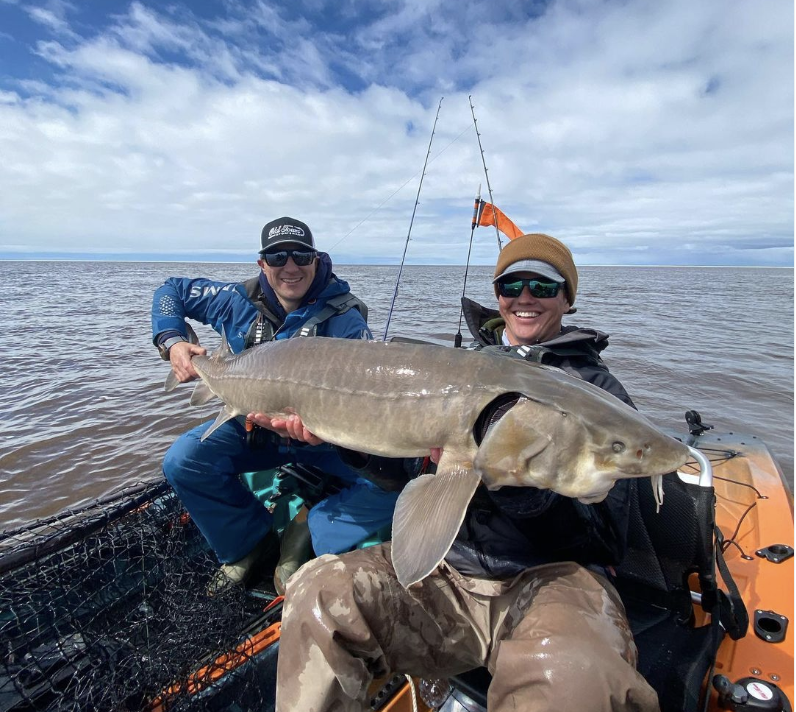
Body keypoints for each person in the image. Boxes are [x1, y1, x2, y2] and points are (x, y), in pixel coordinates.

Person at [273, 233, 660, 712]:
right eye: (510, 284)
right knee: (317, 593)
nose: (524, 298)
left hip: (552, 583)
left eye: (542, 286)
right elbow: (404, 473)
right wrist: (342, 437)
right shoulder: (457, 370)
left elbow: (605, 542)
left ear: (567, 298)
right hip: (450, 575)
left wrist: (525, 493)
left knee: (577, 676)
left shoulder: (601, 394)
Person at [152, 216, 398, 594]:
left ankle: (310, 525)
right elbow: (171, 291)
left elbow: (366, 400)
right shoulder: (234, 300)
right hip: (251, 429)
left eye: (300, 255)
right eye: (277, 256)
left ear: (316, 259)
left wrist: (323, 432)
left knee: (398, 483)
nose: (290, 267)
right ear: (261, 263)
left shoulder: (345, 319)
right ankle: (248, 544)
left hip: (323, 438)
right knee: (183, 461)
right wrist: (173, 341)